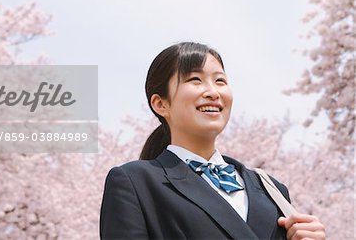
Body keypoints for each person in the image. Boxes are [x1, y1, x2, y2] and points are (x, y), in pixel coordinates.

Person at [100, 42, 326, 240]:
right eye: (195, 80)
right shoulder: (135, 183)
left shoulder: (271, 189)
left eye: (220, 81)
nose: (212, 92)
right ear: (161, 104)